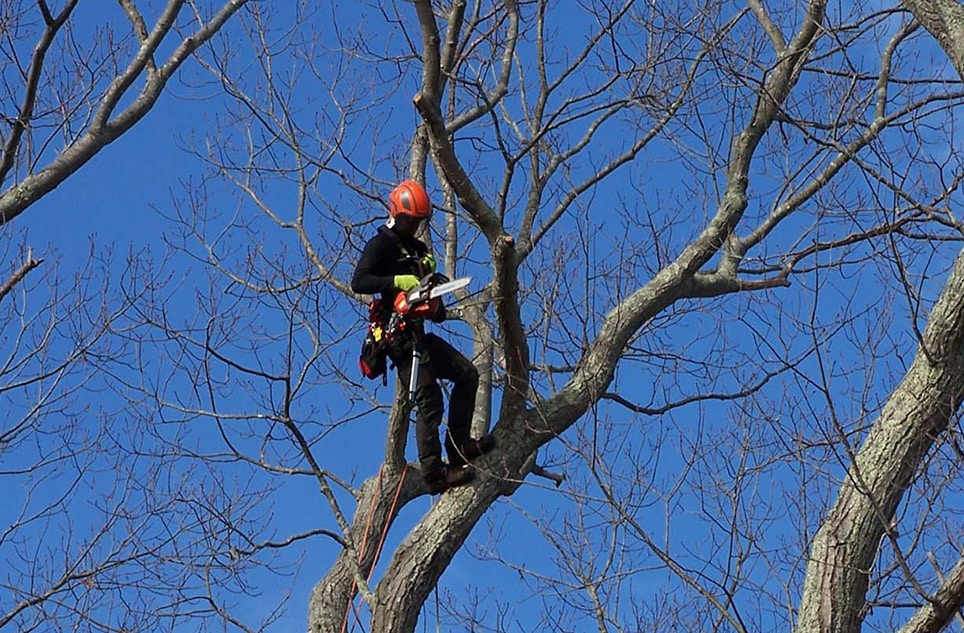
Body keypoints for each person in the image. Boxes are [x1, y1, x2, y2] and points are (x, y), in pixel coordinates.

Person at [351, 179, 495, 493]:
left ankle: (459, 448)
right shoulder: (381, 245)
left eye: (418, 221)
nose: (415, 226)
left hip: (419, 332)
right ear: (397, 215)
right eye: (410, 220)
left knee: (467, 374)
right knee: (430, 401)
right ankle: (434, 475)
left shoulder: (417, 249)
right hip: (397, 338)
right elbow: (359, 281)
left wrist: (430, 285)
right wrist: (396, 281)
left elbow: (437, 310)